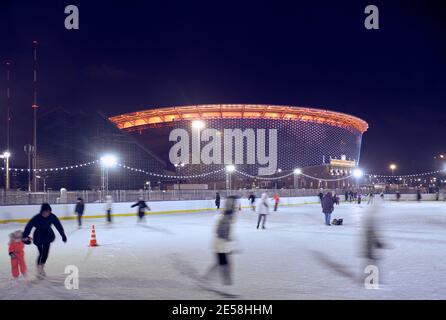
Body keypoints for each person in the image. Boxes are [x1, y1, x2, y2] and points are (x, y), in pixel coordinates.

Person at [22, 203, 67, 279]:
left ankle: (41, 267)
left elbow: (58, 225)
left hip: (48, 235)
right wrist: (25, 236)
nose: (47, 214)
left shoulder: (52, 217)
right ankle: (38, 269)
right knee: (41, 252)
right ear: (42, 211)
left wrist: (63, 235)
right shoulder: (36, 218)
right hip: (38, 236)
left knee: (45, 253)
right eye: (45, 212)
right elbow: (28, 227)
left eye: (48, 212)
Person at [202, 195, 239, 287]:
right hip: (219, 244)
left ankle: (207, 278)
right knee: (224, 264)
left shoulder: (227, 217)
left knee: (221, 263)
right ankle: (226, 284)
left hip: (221, 243)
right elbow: (220, 231)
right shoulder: (225, 217)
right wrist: (228, 240)